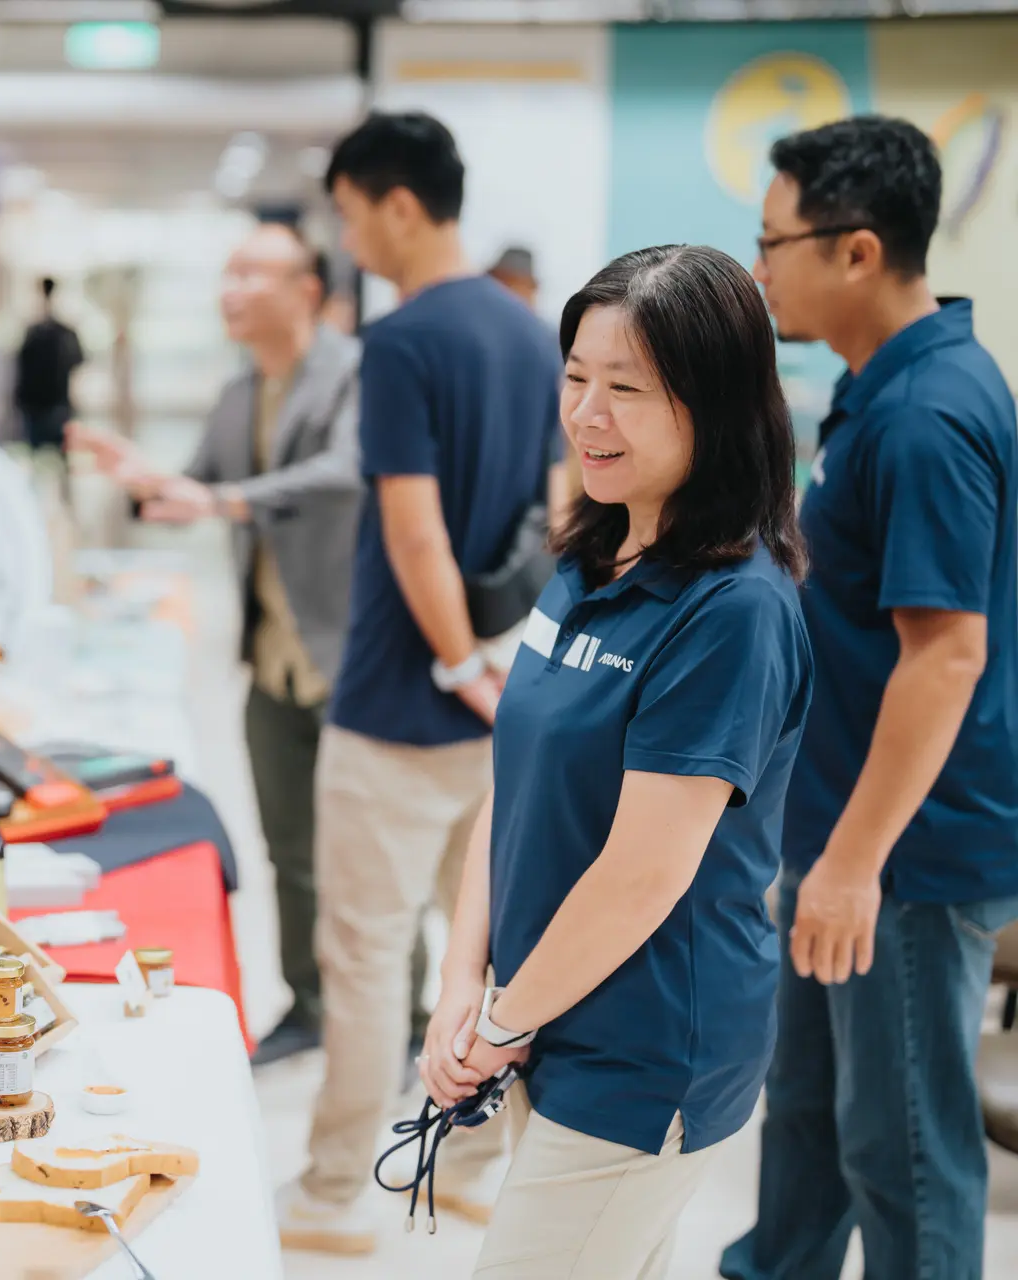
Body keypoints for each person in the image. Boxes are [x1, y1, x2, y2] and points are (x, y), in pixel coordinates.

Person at [423, 242, 812, 1280]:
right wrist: (465, 980)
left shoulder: (734, 611)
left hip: (646, 1049)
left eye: (627, 389)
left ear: (714, 405)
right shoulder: (595, 550)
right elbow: (513, 777)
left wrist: (501, 1019)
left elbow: (646, 871)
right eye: (577, 378)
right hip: (546, 1009)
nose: (588, 412)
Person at [724, 116, 1018, 1280]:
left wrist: (851, 863)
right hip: (841, 825)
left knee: (900, 1146)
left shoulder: (925, 414)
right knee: (803, 1110)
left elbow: (944, 656)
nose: (760, 269)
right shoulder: (876, 386)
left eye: (772, 242)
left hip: (901, 850)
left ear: (854, 251)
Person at [277, 110, 563, 1254]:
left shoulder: (399, 341)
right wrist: (497, 669)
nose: (349, 238)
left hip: (405, 701)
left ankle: (336, 1192)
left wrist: (450, 659)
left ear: (398, 203)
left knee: (366, 956)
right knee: (487, 950)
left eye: (348, 214)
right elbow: (552, 514)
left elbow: (412, 530)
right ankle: (476, 1163)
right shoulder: (531, 330)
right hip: (500, 702)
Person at [71, 221, 362, 1067]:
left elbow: (346, 475)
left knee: (361, 857)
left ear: (306, 290)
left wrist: (221, 500)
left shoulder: (352, 373)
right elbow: (194, 487)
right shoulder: (242, 392)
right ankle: (307, 1003)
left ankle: (397, 1014)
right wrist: (143, 475)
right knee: (286, 844)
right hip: (269, 653)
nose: (231, 289)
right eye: (227, 273)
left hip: (347, 652)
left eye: (252, 273)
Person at [13, 276, 85, 473]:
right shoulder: (48, 332)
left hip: (48, 405)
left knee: (50, 460)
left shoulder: (39, 332)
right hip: (45, 406)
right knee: (49, 461)